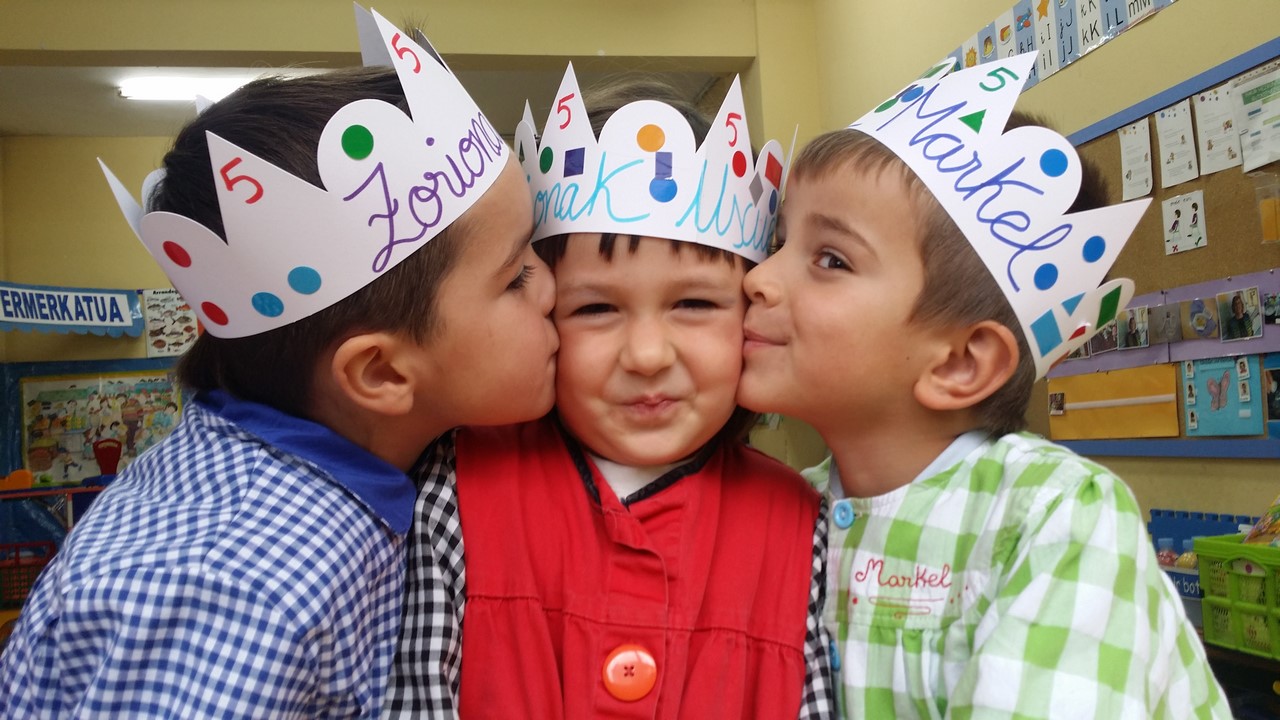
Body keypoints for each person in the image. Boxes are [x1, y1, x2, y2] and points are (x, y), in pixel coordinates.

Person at [0, 14, 557, 719]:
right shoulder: (239, 589)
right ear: (381, 374)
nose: (553, 288)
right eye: (516, 276)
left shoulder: (342, 451)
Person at [738, 54, 1229, 718]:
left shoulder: (1055, 515)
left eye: (830, 259)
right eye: (778, 242)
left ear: (960, 363)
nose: (757, 278)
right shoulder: (783, 511)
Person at [385, 68, 833, 718]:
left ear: (752, 311)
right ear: (540, 314)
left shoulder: (806, 528)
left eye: (694, 303)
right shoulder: (452, 487)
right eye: (595, 309)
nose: (647, 355)